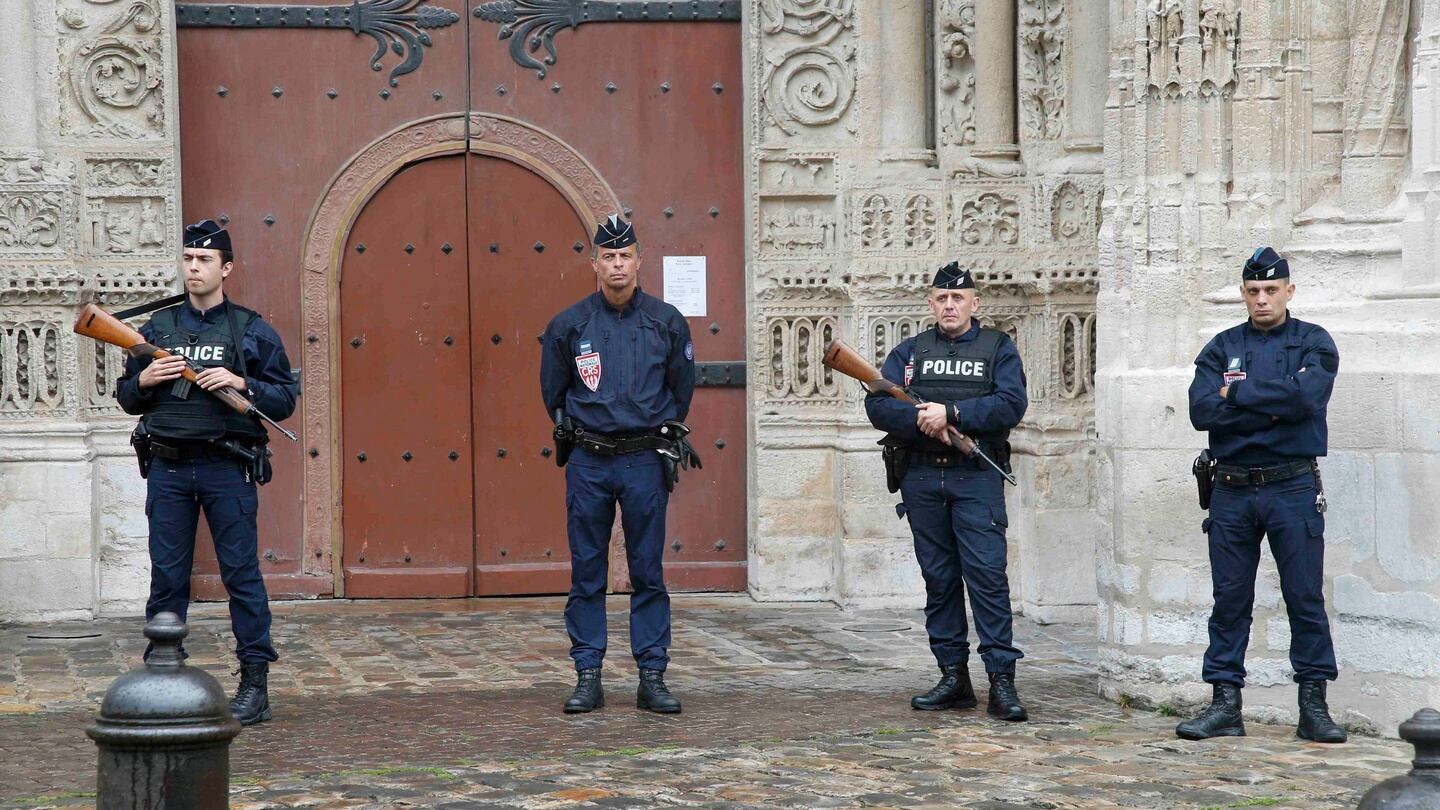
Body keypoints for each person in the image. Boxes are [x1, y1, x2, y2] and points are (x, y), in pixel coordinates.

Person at [116, 219, 299, 726]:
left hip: (226, 467)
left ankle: (255, 682)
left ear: (227, 268)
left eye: (204, 261)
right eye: (188, 260)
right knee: (168, 576)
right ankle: (162, 676)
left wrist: (243, 381)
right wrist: (146, 378)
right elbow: (127, 398)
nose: (193, 268)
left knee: (241, 577)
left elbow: (283, 401)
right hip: (169, 469)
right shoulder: (157, 328)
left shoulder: (250, 329)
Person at [1178, 246, 1347, 743]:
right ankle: (1225, 704)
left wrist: (1238, 394)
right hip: (1231, 489)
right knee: (1229, 600)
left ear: (1289, 291)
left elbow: (1307, 398)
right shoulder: (1221, 346)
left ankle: (1313, 707)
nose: (1262, 299)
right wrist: (1274, 406)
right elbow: (1201, 412)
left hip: (1291, 486)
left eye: (1271, 290)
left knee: (1304, 597)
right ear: (1243, 294)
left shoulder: (1314, 341)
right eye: (1253, 291)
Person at [540, 215, 698, 715]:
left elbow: (682, 388)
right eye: (608, 257)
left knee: (647, 571)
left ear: (638, 260)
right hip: (589, 461)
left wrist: (659, 433)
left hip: (644, 461)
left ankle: (652, 676)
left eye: (624, 256)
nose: (617, 266)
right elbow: (554, 392)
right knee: (587, 571)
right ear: (594, 264)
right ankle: (588, 674)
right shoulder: (569, 325)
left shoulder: (666, 321)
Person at [864, 261, 1030, 722]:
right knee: (939, 581)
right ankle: (953, 676)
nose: (950, 305)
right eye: (942, 298)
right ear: (931, 304)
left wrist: (952, 412)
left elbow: (1011, 403)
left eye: (958, 298)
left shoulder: (998, 348)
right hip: (921, 477)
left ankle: (1001, 681)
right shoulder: (911, 352)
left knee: (987, 580)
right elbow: (877, 403)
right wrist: (921, 419)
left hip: (974, 477)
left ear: (975, 303)